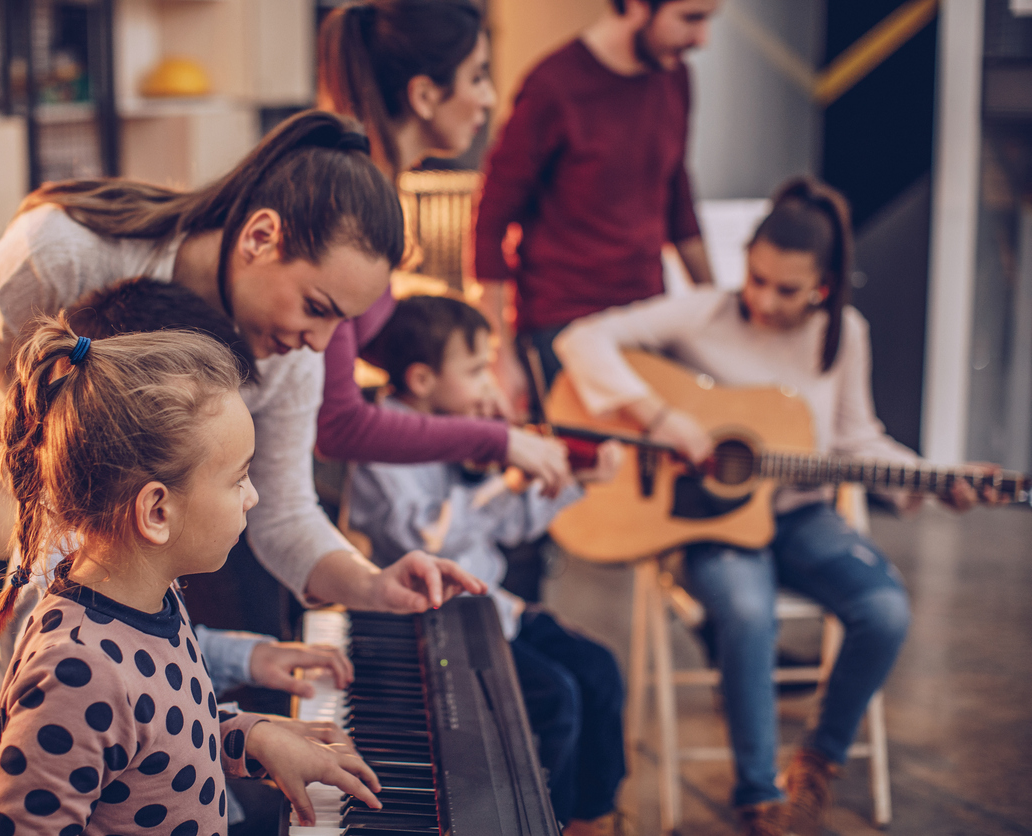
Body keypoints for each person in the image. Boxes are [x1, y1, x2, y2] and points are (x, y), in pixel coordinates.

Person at [0, 111, 484, 835]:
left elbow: (284, 513)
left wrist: (370, 584)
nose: (319, 343)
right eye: (316, 308)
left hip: (51, 520)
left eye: (341, 326)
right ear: (260, 237)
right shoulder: (66, 250)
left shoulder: (289, 357)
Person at [553, 176, 993, 836]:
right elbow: (580, 340)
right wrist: (663, 419)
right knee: (747, 612)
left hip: (801, 516)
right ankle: (757, 796)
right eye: (755, 278)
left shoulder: (844, 334)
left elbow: (856, 439)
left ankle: (817, 763)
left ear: (824, 284)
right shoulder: (703, 312)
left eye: (787, 290)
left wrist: (933, 479)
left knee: (884, 610)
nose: (762, 299)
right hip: (708, 522)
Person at [0, 317, 383, 835]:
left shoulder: (151, 600)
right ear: (157, 512)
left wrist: (251, 737)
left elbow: (161, 731)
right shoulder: (75, 672)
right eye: (239, 478)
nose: (253, 496)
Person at [346, 294, 628, 836]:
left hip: (494, 605)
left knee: (599, 670)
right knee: (555, 699)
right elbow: (426, 537)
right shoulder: (383, 442)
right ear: (422, 379)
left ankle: (592, 818)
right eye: (476, 370)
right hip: (437, 616)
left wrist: (571, 482)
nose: (489, 386)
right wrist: (504, 472)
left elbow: (511, 527)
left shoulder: (462, 431)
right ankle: (546, 822)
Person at [315, 0, 572, 492]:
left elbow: (361, 339)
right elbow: (339, 425)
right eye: (477, 77)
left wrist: (465, 383)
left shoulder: (378, 192)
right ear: (425, 95)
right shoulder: (347, 206)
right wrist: (497, 442)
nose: (489, 98)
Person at [473, 0, 720, 418]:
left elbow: (679, 204)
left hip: (645, 319)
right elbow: (491, 221)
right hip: (562, 327)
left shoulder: (675, 77)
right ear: (636, 6)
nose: (702, 39)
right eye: (691, 18)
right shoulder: (553, 85)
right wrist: (500, 354)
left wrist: (720, 311)